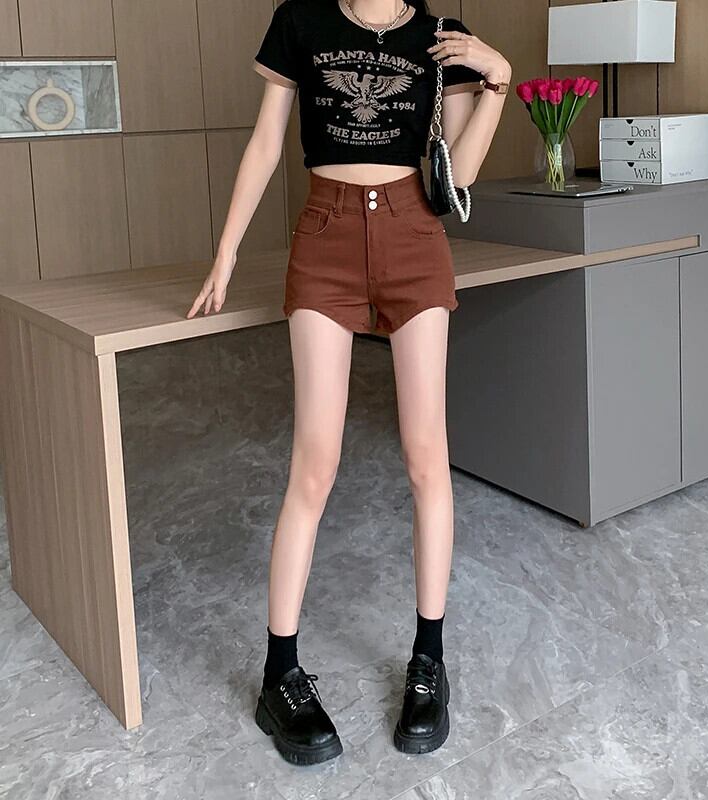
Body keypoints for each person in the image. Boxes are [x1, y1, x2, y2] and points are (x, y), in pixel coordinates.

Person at [187, 0, 510, 766]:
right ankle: (280, 676)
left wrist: (497, 79)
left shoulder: (440, 36)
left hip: (414, 236)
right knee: (315, 465)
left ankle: (429, 661)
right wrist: (226, 253)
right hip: (325, 237)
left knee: (427, 459)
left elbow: (458, 177)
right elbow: (267, 138)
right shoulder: (301, 20)